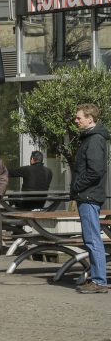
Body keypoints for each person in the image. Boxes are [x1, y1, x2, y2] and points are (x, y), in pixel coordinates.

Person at [70, 104, 108, 294]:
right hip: (89, 194)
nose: (76, 121)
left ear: (90, 118)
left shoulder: (94, 139)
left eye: (79, 118)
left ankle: (99, 281)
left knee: (93, 239)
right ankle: (97, 279)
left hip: (89, 195)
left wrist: (77, 187)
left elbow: (95, 171)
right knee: (92, 238)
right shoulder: (91, 138)